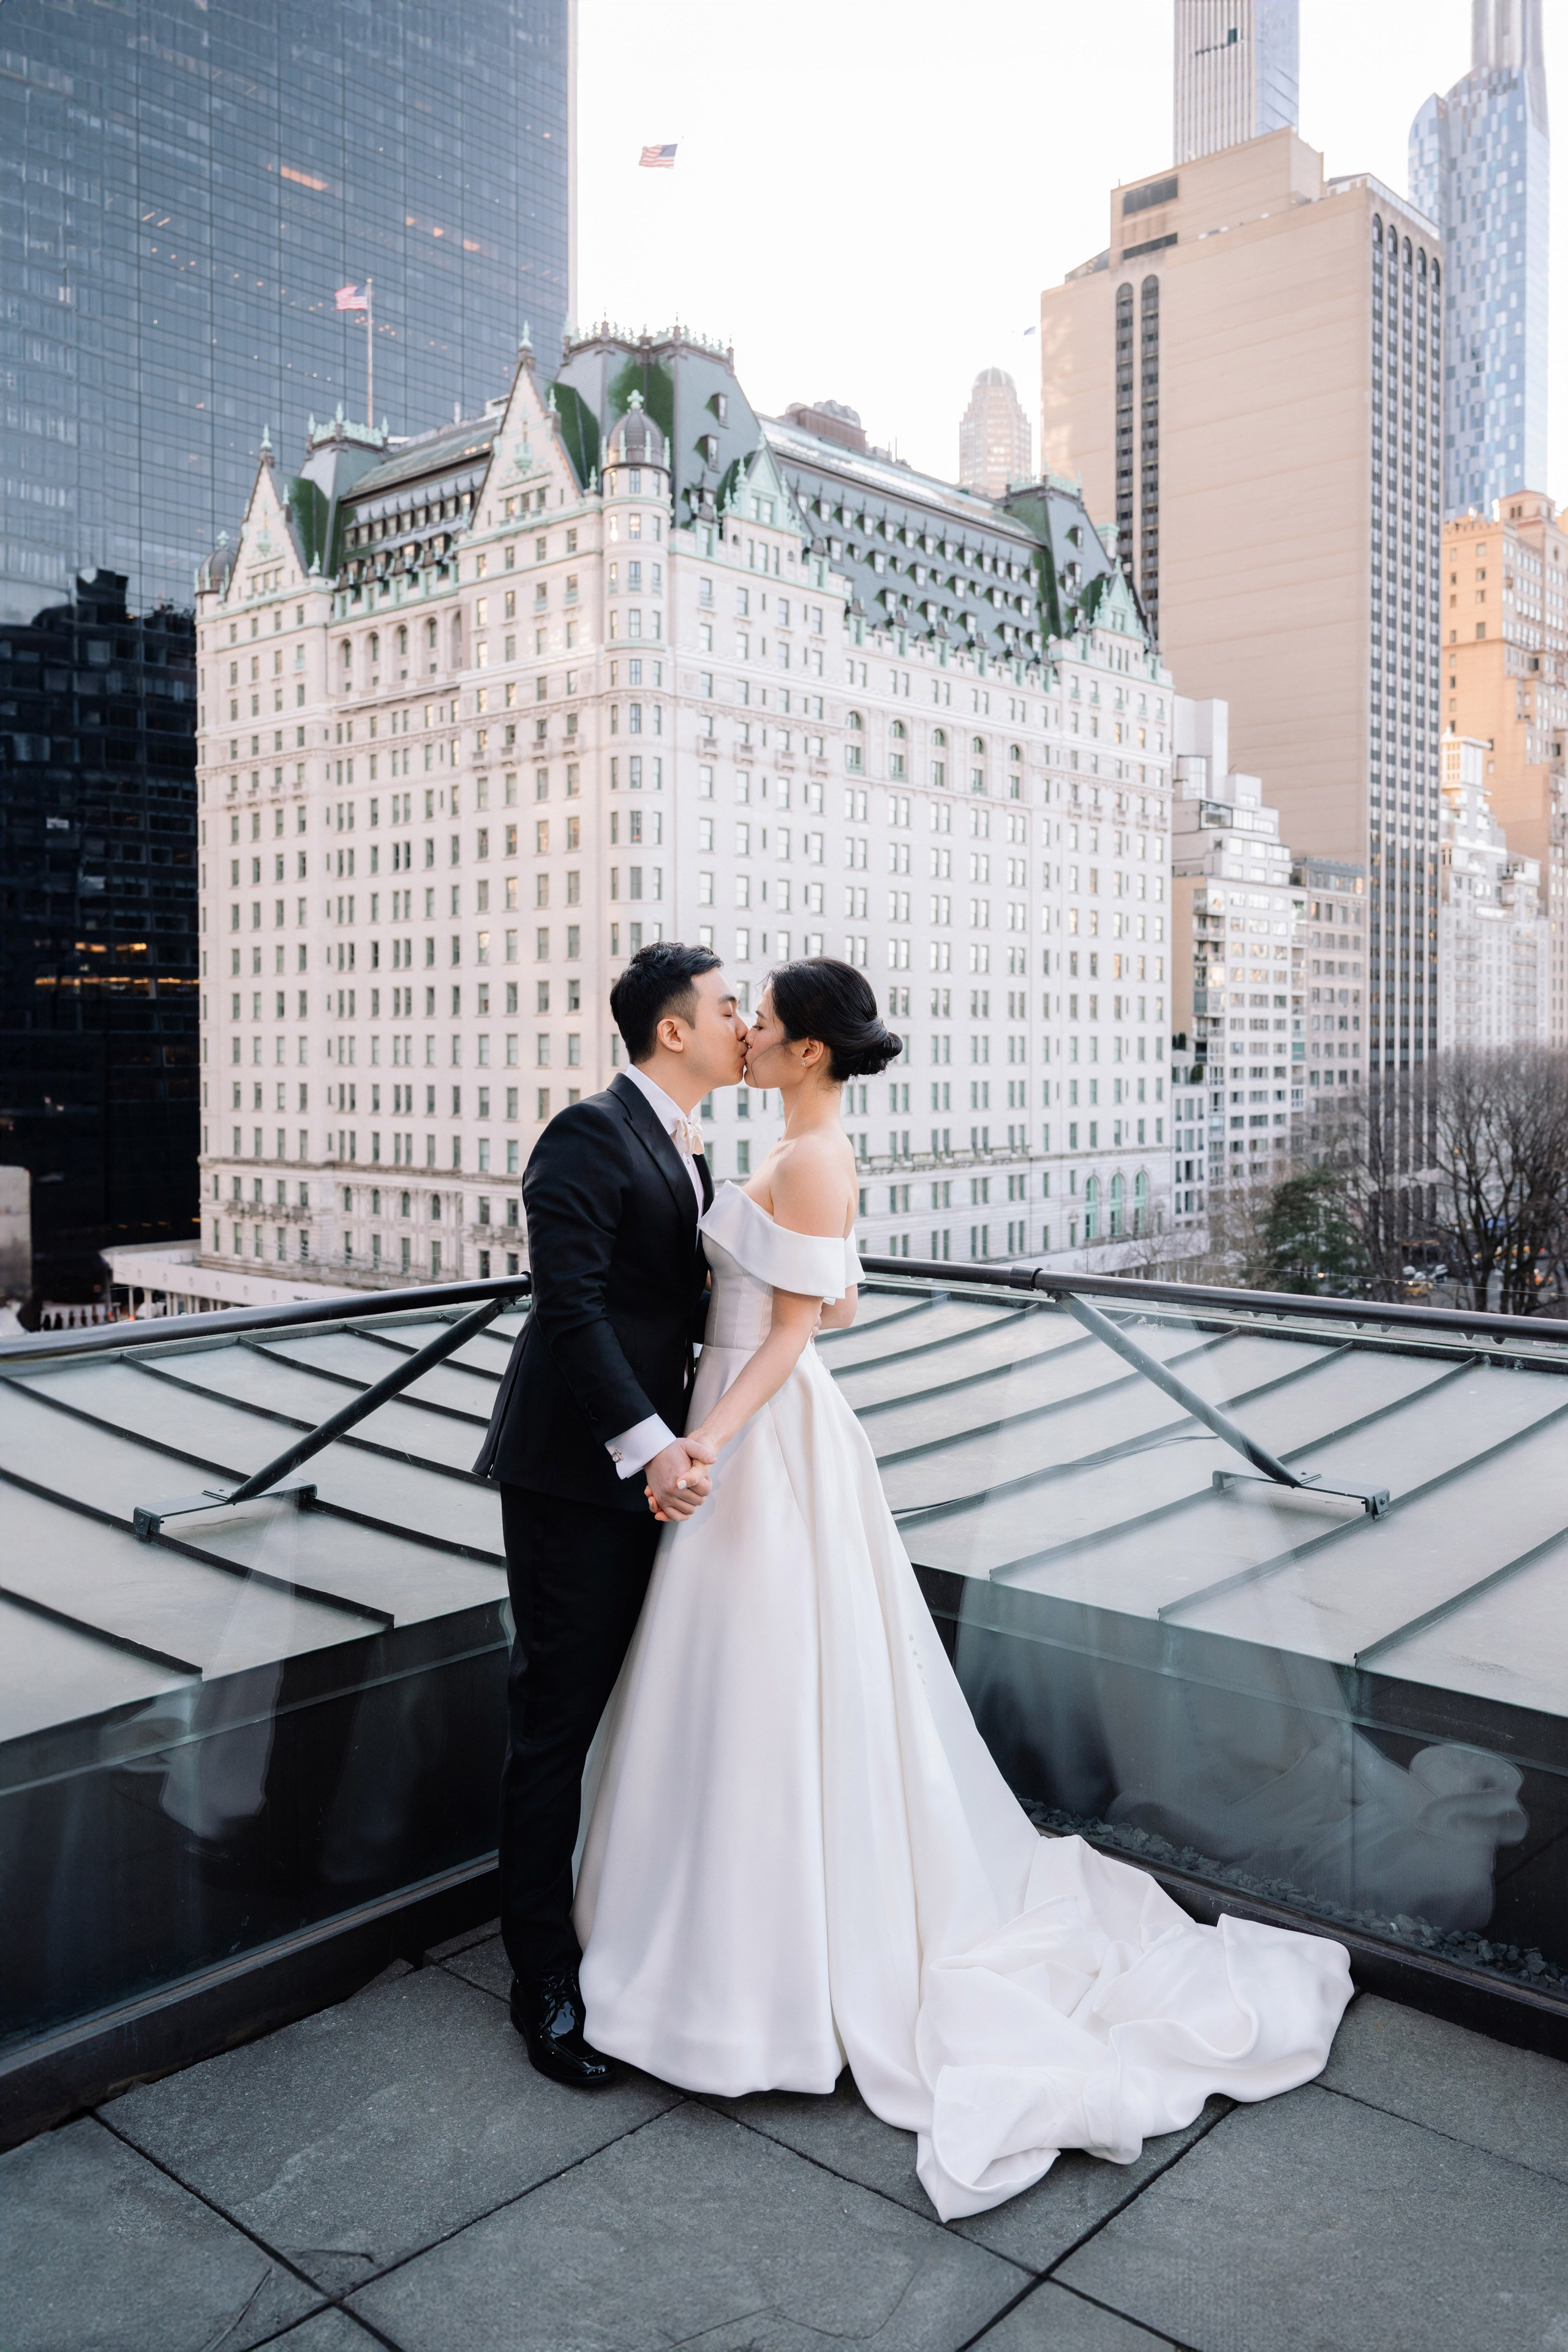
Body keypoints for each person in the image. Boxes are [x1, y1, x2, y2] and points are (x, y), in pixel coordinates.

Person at [571, 957, 1354, 2222]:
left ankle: (764, 1965)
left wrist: (710, 1439)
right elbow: (833, 1298)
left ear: (812, 1051)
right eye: (743, 1019)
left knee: (776, 1678)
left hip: (755, 1427)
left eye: (765, 1024)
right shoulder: (784, 1144)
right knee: (739, 1680)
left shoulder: (813, 1155)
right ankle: (708, 1943)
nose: (751, 1036)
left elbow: (792, 1328)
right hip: (731, 1416)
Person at [473, 941, 745, 2086]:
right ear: (671, 1030)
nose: (747, 1023)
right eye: (730, 1007)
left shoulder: (689, 1145)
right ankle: (540, 1978)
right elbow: (571, 1310)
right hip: (578, 1476)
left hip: (659, 1471)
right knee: (555, 1722)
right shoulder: (588, 1132)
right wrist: (650, 1451)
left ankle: (623, 1929)